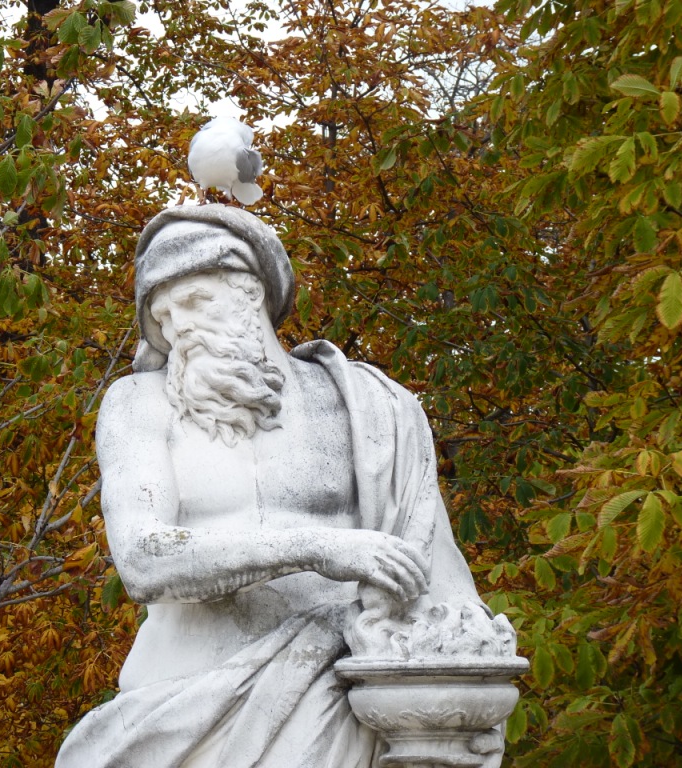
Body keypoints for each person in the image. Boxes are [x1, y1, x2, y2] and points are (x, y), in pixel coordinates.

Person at [55, 205, 491, 768]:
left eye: (195, 301)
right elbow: (143, 559)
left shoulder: (369, 408)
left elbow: (442, 585)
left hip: (348, 698)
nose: (178, 326)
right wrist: (317, 547)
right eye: (162, 315)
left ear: (252, 293)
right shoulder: (139, 405)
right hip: (183, 711)